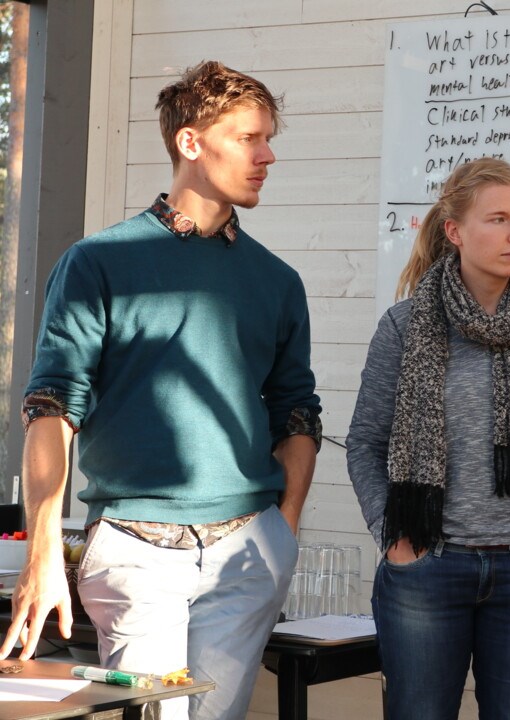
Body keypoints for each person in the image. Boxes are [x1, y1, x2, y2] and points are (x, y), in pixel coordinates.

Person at [1, 61, 321, 719]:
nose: (268, 155)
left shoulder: (278, 281)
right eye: (249, 138)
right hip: (138, 552)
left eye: (269, 138)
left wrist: (279, 536)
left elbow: (297, 414)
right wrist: (41, 550)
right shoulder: (98, 263)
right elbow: (53, 406)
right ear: (191, 143)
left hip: (247, 551)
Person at [347, 157, 510, 720]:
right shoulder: (404, 325)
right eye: (498, 219)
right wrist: (395, 542)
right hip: (426, 571)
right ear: (455, 231)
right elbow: (365, 443)